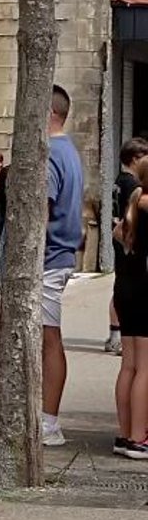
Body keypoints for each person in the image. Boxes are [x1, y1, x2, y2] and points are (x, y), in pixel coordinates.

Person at [42, 85, 86, 448]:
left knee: (47, 337)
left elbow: (39, 213)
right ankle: (39, 417)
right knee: (43, 338)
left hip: (47, 259)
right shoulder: (68, 151)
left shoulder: (50, 153)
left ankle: (47, 421)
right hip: (57, 256)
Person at [112, 139, 148, 458]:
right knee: (146, 367)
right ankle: (139, 437)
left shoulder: (134, 205)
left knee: (129, 365)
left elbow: (118, 234)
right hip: (146, 288)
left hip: (126, 286)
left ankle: (125, 434)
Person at [110, 144, 141, 356]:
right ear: (134, 159)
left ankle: (116, 334)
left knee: (120, 285)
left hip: (119, 234)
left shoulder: (119, 180)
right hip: (127, 239)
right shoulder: (131, 184)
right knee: (126, 287)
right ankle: (118, 335)